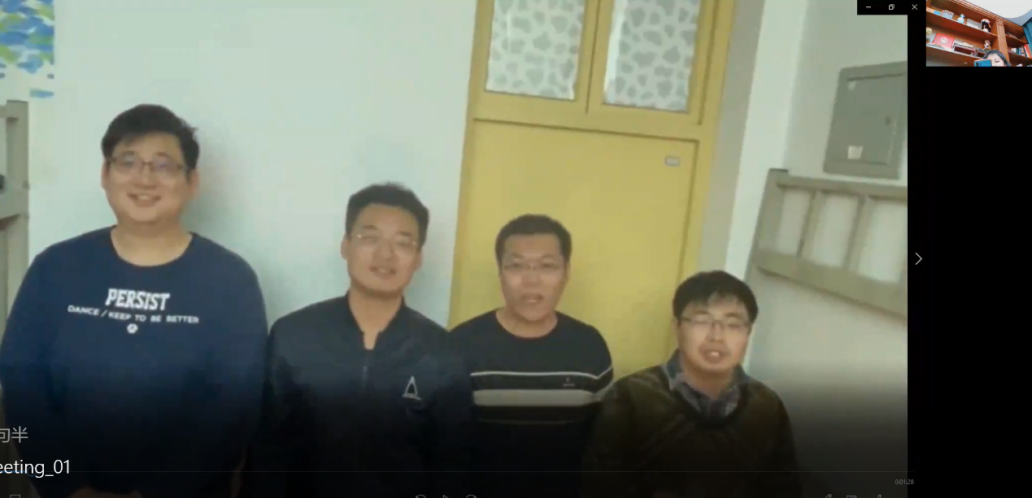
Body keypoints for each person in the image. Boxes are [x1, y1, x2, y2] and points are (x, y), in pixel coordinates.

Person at [0, 105, 268, 498]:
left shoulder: (231, 280)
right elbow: (22, 389)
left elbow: (233, 409)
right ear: (105, 174)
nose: (144, 178)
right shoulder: (55, 267)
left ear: (192, 182)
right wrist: (68, 487)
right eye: (127, 162)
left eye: (164, 165)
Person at [241, 184, 473, 498]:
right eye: (370, 237)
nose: (385, 254)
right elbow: (267, 454)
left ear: (418, 258)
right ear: (346, 246)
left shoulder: (442, 352)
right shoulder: (293, 335)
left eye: (403, 243)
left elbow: (452, 467)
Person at [581, 271, 802, 498]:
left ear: (748, 333)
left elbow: (785, 488)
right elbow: (598, 486)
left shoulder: (767, 406)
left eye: (733, 324)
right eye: (702, 321)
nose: (716, 336)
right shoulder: (631, 397)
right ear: (677, 326)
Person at [450, 214, 613, 498]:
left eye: (547, 266)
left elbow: (601, 446)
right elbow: (444, 449)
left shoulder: (589, 345)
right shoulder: (461, 344)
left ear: (566, 273)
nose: (531, 280)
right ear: (500, 272)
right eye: (516, 266)